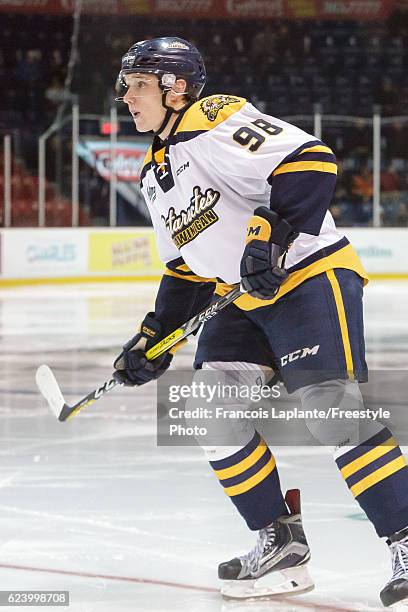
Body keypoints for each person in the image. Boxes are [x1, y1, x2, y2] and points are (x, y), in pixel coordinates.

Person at [113, 37, 408, 606]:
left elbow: (310, 162)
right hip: (240, 297)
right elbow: (187, 270)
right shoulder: (156, 174)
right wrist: (154, 336)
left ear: (176, 87)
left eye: (138, 84)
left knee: (329, 408)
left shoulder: (211, 118)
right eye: (126, 85)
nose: (126, 97)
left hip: (307, 276)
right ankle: (279, 541)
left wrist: (269, 236)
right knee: (208, 408)